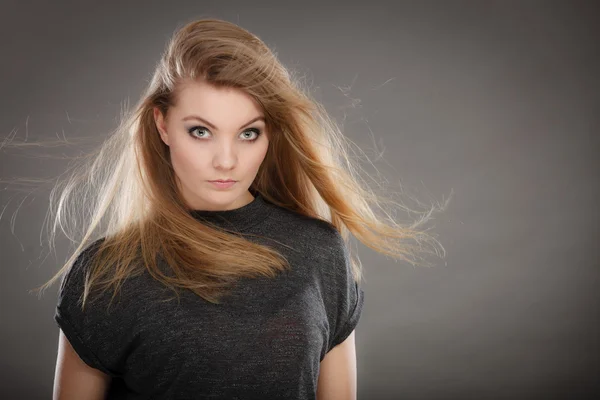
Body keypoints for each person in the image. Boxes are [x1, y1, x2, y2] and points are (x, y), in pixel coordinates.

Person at [27, 17, 446, 400]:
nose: (226, 161)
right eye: (201, 131)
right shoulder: (106, 272)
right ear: (162, 125)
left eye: (248, 133)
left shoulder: (320, 252)